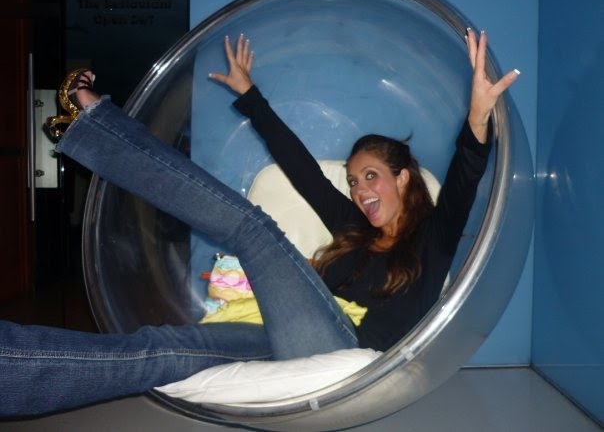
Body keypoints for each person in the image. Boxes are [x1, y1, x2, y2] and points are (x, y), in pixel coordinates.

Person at [0, 28, 518, 417]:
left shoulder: (432, 239)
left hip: (347, 347)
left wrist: (479, 118)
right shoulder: (353, 230)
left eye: (371, 177)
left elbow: (465, 178)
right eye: (353, 181)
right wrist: (250, 94)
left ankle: (95, 127)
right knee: (164, 350)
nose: (359, 190)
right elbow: (302, 169)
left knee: (251, 227)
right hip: (287, 336)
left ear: (403, 179)